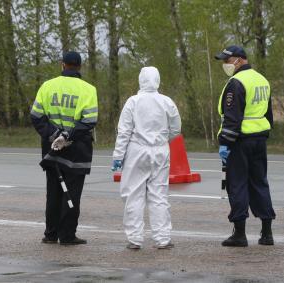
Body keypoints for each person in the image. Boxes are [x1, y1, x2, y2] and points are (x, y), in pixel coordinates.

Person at [30, 51, 98, 245]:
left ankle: (50, 234)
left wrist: (54, 135)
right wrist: (67, 135)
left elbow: (36, 117)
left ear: (62, 65)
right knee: (72, 193)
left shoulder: (47, 86)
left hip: (52, 149)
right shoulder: (88, 89)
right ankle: (67, 235)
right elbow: (89, 121)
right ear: (80, 67)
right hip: (77, 149)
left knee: (53, 191)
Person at [112, 66, 181, 250]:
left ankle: (135, 239)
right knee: (159, 195)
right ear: (157, 80)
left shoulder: (133, 102)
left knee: (133, 194)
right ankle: (162, 239)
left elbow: (124, 132)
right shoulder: (167, 102)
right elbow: (176, 128)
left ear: (140, 80)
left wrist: (118, 156)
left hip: (137, 151)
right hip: (160, 150)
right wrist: (163, 139)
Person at [214, 45, 276, 247]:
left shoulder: (236, 82)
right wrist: (264, 133)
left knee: (237, 184)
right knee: (260, 182)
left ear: (239, 60)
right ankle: (267, 233)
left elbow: (232, 118)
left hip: (239, 141)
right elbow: (268, 114)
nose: (225, 64)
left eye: (227, 60)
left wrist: (225, 143)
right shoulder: (262, 80)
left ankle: (239, 234)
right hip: (259, 139)